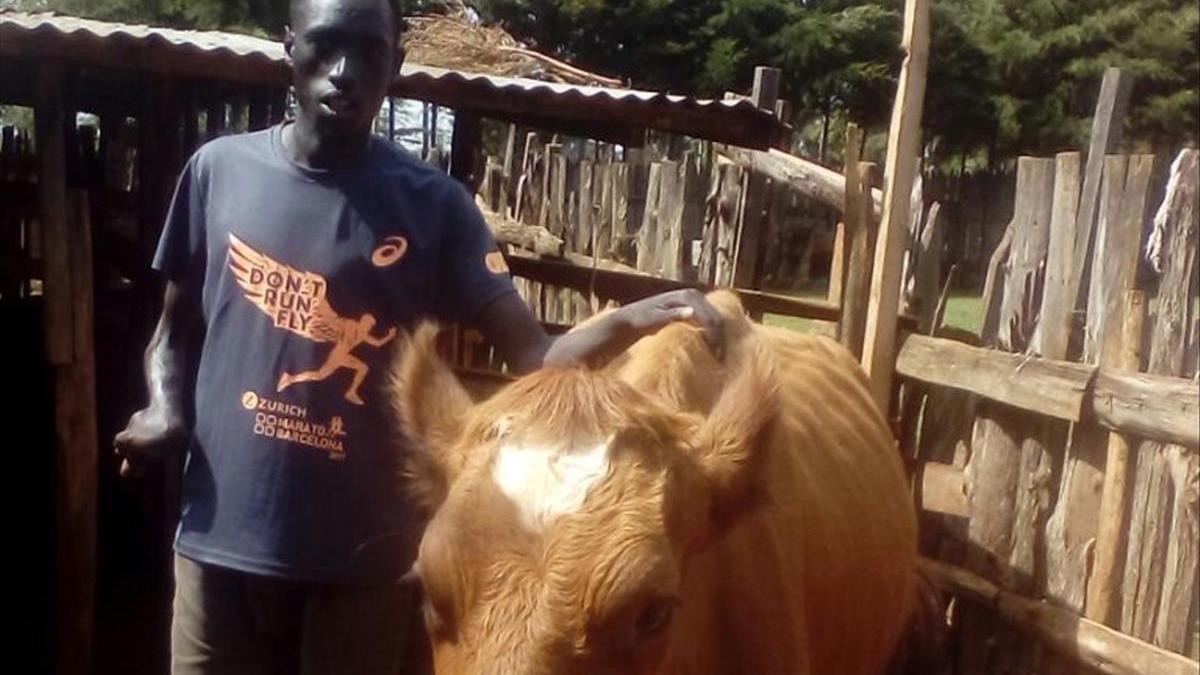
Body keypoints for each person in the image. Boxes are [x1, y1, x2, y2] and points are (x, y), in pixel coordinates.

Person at [112, 0, 723, 673]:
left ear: (396, 65)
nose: (344, 72)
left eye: (369, 54)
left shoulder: (434, 207)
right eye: (324, 46)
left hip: (364, 569)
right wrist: (162, 405)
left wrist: (629, 317)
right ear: (290, 48)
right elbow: (171, 333)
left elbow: (534, 356)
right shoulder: (217, 173)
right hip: (217, 543)